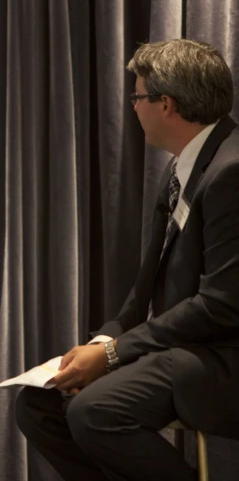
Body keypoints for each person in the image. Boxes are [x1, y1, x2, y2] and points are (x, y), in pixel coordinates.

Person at [15, 39, 239, 480]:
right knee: (40, 405)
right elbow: (145, 291)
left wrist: (116, 355)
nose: (133, 108)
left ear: (166, 104)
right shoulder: (183, 166)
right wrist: (103, 344)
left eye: (137, 97)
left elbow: (222, 303)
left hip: (222, 356)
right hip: (183, 348)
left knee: (95, 411)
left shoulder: (231, 171)